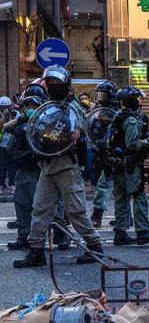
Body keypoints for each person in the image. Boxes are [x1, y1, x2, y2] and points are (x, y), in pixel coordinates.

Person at [14, 65, 103, 268]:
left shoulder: (73, 107)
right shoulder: (47, 106)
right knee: (40, 209)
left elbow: (75, 133)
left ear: (66, 84)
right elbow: (37, 129)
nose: (54, 86)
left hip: (66, 165)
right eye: (50, 83)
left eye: (57, 83)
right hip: (47, 164)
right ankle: (36, 250)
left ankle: (95, 245)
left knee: (76, 210)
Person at [108, 86, 149, 245]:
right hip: (130, 165)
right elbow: (132, 143)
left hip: (117, 164)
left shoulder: (118, 116)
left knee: (121, 199)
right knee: (139, 196)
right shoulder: (131, 119)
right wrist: (148, 142)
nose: (140, 101)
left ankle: (120, 233)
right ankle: (143, 232)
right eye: (137, 98)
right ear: (131, 100)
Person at [6, 93, 45, 250]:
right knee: (22, 202)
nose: (31, 110)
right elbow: (10, 148)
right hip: (26, 169)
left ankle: (57, 235)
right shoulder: (19, 127)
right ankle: (24, 236)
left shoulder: (47, 123)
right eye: (28, 107)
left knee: (44, 205)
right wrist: (29, 156)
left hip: (44, 169)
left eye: (34, 107)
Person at [89, 81, 119, 227]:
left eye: (103, 95)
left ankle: (98, 214)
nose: (100, 98)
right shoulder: (101, 111)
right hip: (102, 151)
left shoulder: (116, 113)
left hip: (113, 153)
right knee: (111, 184)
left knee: (106, 184)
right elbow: (93, 129)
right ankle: (124, 217)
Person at [0, 96, 17, 194]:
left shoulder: (14, 113)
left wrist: (12, 116)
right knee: (2, 166)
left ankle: (11, 184)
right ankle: (1, 185)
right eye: (2, 107)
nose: (5, 109)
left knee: (12, 166)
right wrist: (3, 115)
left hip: (12, 144)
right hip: (2, 144)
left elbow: (17, 123)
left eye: (6, 107)